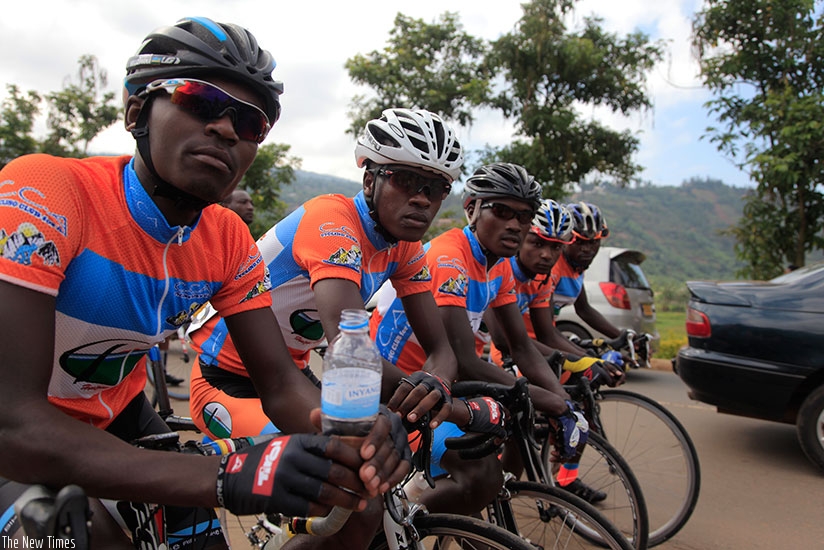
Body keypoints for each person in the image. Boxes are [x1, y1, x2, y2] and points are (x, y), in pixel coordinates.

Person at [0, 17, 407, 550]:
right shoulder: (47, 191)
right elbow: (13, 421)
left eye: (250, 122)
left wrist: (363, 427)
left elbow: (281, 386)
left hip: (115, 411)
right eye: (198, 100)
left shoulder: (228, 239)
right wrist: (227, 476)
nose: (225, 129)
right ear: (136, 113)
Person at [187, 108, 506, 547]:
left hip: (289, 377)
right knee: (354, 496)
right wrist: (437, 400)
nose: (421, 199)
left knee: (371, 485)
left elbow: (443, 350)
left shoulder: (406, 248)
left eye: (435, 188)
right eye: (406, 181)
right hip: (223, 383)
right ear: (370, 179)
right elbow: (351, 350)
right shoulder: (332, 221)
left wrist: (434, 384)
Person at [370, 163, 589, 515]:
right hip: (396, 389)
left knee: (508, 435)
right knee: (478, 474)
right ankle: (394, 525)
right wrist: (551, 403)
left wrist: (564, 403)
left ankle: (475, 531)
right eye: (501, 211)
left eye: (525, 216)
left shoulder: (498, 264)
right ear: (471, 207)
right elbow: (464, 359)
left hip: (440, 383)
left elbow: (519, 346)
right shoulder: (449, 257)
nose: (515, 225)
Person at [482, 199, 624, 502]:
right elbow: (506, 341)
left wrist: (589, 359)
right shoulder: (503, 268)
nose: (547, 255)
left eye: (555, 247)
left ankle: (546, 479)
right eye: (537, 243)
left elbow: (548, 332)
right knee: (524, 421)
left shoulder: (542, 275)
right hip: (502, 353)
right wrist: (577, 361)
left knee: (564, 405)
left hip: (528, 349)